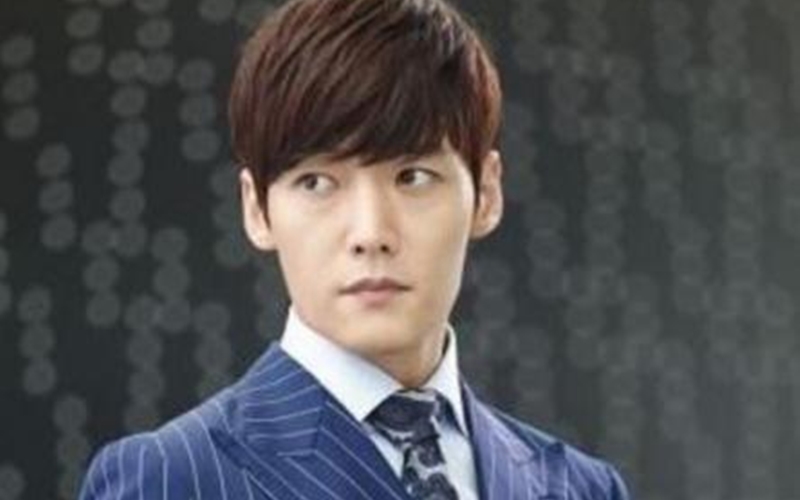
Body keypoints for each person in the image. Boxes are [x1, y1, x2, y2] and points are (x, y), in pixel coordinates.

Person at [79, 0, 631, 498]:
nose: (370, 232)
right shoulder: (167, 480)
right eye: (317, 182)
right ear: (257, 209)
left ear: (486, 194)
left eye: (413, 177)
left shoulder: (580, 488)